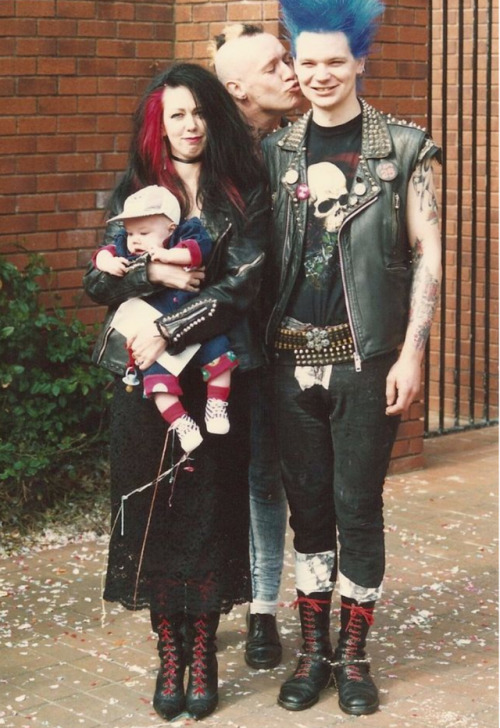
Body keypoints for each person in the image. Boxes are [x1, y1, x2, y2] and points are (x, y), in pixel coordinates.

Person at [261, 0, 442, 716]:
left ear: (360, 61)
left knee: (357, 508)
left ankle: (354, 655)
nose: (322, 74)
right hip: (286, 360)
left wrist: (413, 353)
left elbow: (428, 251)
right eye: (308, 62)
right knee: (308, 513)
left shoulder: (401, 148)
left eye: (336, 61)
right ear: (296, 64)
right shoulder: (275, 150)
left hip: (366, 361)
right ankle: (313, 653)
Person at [83, 62, 269, 722]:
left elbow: (239, 288)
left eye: (197, 112)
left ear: (213, 117)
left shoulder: (240, 192)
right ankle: (170, 646)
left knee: (210, 506)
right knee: (157, 508)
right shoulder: (134, 191)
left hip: (214, 379)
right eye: (175, 114)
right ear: (158, 124)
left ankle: (205, 646)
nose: (188, 125)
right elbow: (97, 284)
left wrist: (171, 326)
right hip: (143, 383)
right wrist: (151, 267)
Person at [212, 23, 302, 670]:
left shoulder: (289, 151)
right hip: (216, 350)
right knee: (212, 480)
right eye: (275, 65)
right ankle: (208, 599)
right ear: (237, 88)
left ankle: (264, 610)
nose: (291, 71)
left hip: (275, 351)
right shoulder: (206, 163)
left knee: (264, 483)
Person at [94, 184, 239, 453]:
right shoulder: (130, 249)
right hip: (151, 336)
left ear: (171, 228)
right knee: (158, 383)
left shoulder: (186, 234)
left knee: (220, 358)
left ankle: (217, 405)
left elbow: (197, 253)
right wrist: (107, 262)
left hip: (194, 325)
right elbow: (103, 256)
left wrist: (166, 255)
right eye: (130, 233)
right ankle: (181, 422)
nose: (134, 240)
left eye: (144, 233)